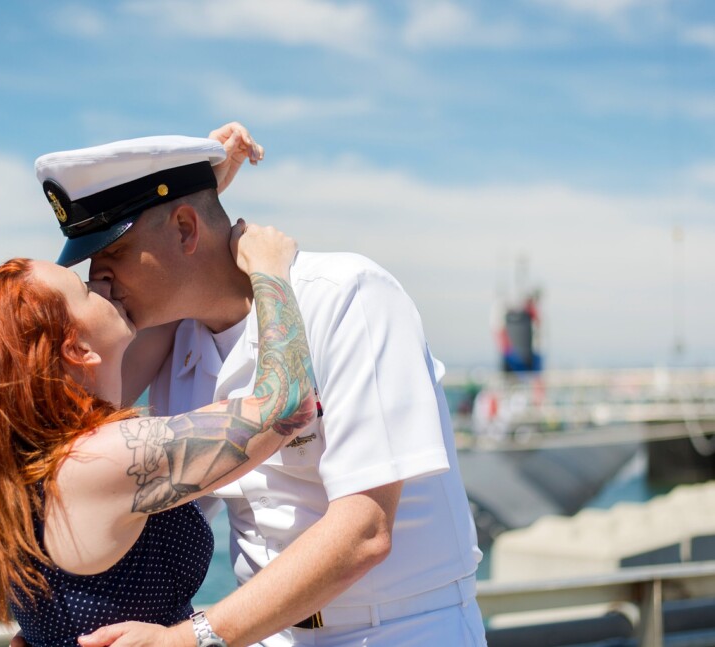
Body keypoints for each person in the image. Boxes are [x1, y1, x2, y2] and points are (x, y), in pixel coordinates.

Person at [26, 124, 487, 647]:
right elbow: (62, 443)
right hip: (258, 634)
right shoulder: (170, 341)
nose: (101, 284)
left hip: (398, 630)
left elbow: (365, 531)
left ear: (184, 229)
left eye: (113, 257)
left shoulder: (345, 296)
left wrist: (187, 640)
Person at [0, 179, 320, 645]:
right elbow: (286, 406)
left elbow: (170, 297)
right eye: (83, 288)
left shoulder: (34, 458)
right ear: (77, 348)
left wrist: (190, 190)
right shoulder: (100, 461)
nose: (103, 280)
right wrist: (269, 270)